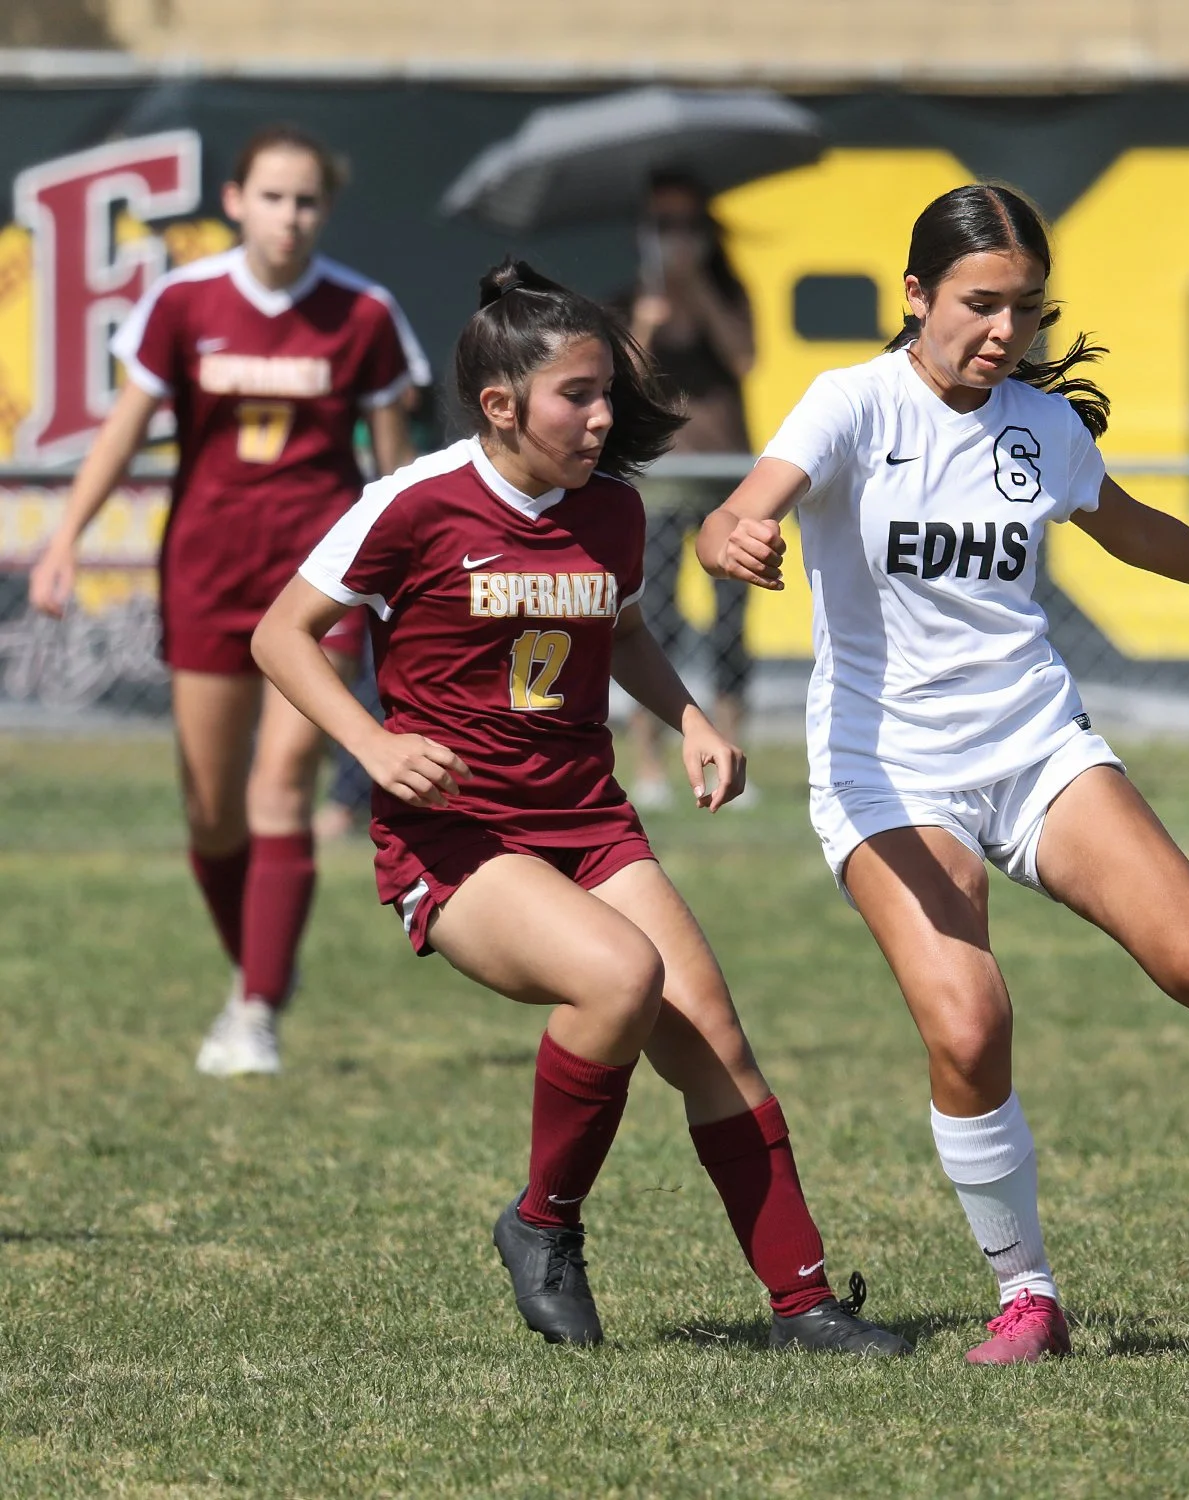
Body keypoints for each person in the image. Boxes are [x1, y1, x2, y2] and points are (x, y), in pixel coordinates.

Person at [697, 183, 1189, 1366]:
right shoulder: (852, 405)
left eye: (1024, 309)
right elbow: (743, 507)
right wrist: (732, 535)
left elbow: (1130, 529)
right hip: (888, 773)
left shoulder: (1040, 429)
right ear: (914, 295)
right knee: (969, 1025)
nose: (1002, 333)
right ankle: (1028, 1296)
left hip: (1034, 746)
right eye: (978, 305)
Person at [251, 259, 910, 1355]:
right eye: (579, 397)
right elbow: (280, 634)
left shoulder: (611, 509)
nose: (605, 417)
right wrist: (371, 745)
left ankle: (805, 1305)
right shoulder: (413, 504)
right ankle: (542, 1225)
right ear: (501, 407)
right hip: (455, 838)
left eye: (609, 391)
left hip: (587, 818)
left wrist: (692, 718)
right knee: (620, 977)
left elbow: (628, 629)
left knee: (714, 1043)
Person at [27, 124, 427, 1077]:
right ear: (236, 202)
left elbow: (392, 466)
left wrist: (404, 578)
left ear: (323, 212)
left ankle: (253, 1008)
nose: (290, 217)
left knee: (279, 784)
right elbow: (126, 431)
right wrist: (64, 538)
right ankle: (256, 969)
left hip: (314, 581)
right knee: (210, 809)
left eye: (307, 201)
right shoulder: (181, 302)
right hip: (205, 568)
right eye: (273, 197)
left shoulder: (363, 313)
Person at [615, 171, 758, 808]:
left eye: (686, 226)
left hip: (726, 475)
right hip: (660, 479)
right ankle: (649, 762)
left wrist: (696, 289)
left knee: (731, 619)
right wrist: (646, 321)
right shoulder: (629, 299)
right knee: (655, 618)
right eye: (661, 226)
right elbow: (621, 384)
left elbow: (745, 357)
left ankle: (733, 748)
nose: (675, 239)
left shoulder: (725, 293)